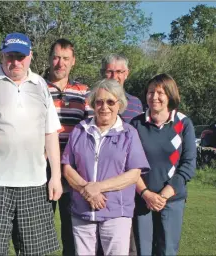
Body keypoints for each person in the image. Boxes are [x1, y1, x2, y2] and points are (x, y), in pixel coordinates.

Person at [0, 32, 62, 255]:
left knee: (33, 250)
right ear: (2, 56)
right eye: (10, 56)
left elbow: (50, 133)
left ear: (30, 56)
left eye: (21, 56)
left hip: (34, 181)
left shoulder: (40, 85)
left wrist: (55, 176)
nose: (15, 62)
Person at [61, 78, 150, 255]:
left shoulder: (129, 133)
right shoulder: (80, 130)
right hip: (82, 210)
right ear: (93, 104)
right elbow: (67, 167)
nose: (104, 107)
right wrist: (87, 190)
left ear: (119, 105)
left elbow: (134, 174)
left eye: (110, 102)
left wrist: (98, 188)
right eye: (99, 102)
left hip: (116, 212)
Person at [131, 74, 197, 256]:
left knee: (166, 251)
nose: (154, 97)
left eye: (160, 92)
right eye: (151, 92)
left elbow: (188, 165)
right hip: (142, 199)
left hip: (172, 200)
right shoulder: (136, 124)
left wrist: (164, 195)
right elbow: (129, 164)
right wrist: (146, 194)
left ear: (170, 95)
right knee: (142, 251)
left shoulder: (183, 124)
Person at [44, 38, 93, 256]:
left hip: (73, 168)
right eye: (56, 57)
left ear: (73, 61)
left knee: (72, 229)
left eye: (65, 58)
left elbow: (92, 128)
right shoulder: (36, 87)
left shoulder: (84, 92)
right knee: (40, 228)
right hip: (41, 166)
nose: (60, 63)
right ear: (49, 58)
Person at [100, 53, 143, 255]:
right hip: (98, 178)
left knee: (127, 241)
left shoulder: (136, 104)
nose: (114, 75)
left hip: (127, 182)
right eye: (110, 71)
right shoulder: (93, 101)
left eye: (119, 71)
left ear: (127, 74)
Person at [100, 53, 143, 123]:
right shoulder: (89, 101)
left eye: (118, 71)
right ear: (102, 73)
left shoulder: (135, 103)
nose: (114, 77)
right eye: (109, 72)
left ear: (126, 73)